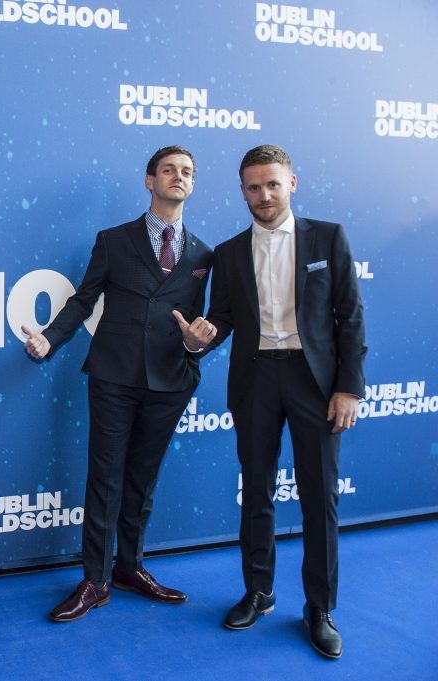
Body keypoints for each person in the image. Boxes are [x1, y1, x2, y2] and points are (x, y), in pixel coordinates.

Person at [175, 144, 366, 659]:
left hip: (315, 384)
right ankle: (258, 591)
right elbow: (224, 317)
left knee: (318, 496)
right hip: (255, 380)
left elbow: (350, 317)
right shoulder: (229, 252)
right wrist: (200, 339)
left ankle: (319, 608)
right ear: (242, 191)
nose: (263, 195)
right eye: (253, 187)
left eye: (272, 184)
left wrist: (348, 388)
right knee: (256, 490)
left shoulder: (328, 237)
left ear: (292, 184)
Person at [22, 145, 212, 622]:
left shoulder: (205, 254)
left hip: (170, 381)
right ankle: (95, 580)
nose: (178, 176)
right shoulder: (113, 239)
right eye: (168, 170)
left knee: (142, 481)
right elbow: (84, 300)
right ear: (150, 181)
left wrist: (195, 346)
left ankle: (129, 568)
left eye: (186, 171)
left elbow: (209, 324)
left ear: (193, 183)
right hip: (114, 375)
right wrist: (50, 340)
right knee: (104, 479)